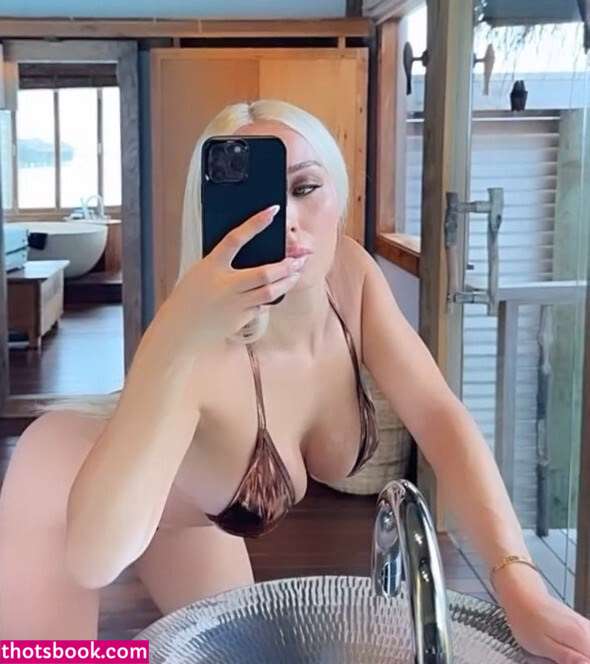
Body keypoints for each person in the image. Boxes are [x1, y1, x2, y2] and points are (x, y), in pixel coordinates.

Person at [0, 99, 589, 661]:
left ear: (339, 193)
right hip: (65, 484)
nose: (286, 222)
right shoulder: (200, 348)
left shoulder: (351, 278)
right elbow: (96, 560)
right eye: (255, 200)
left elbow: (437, 414)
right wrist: (176, 333)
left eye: (305, 188)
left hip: (190, 517)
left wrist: (520, 586)